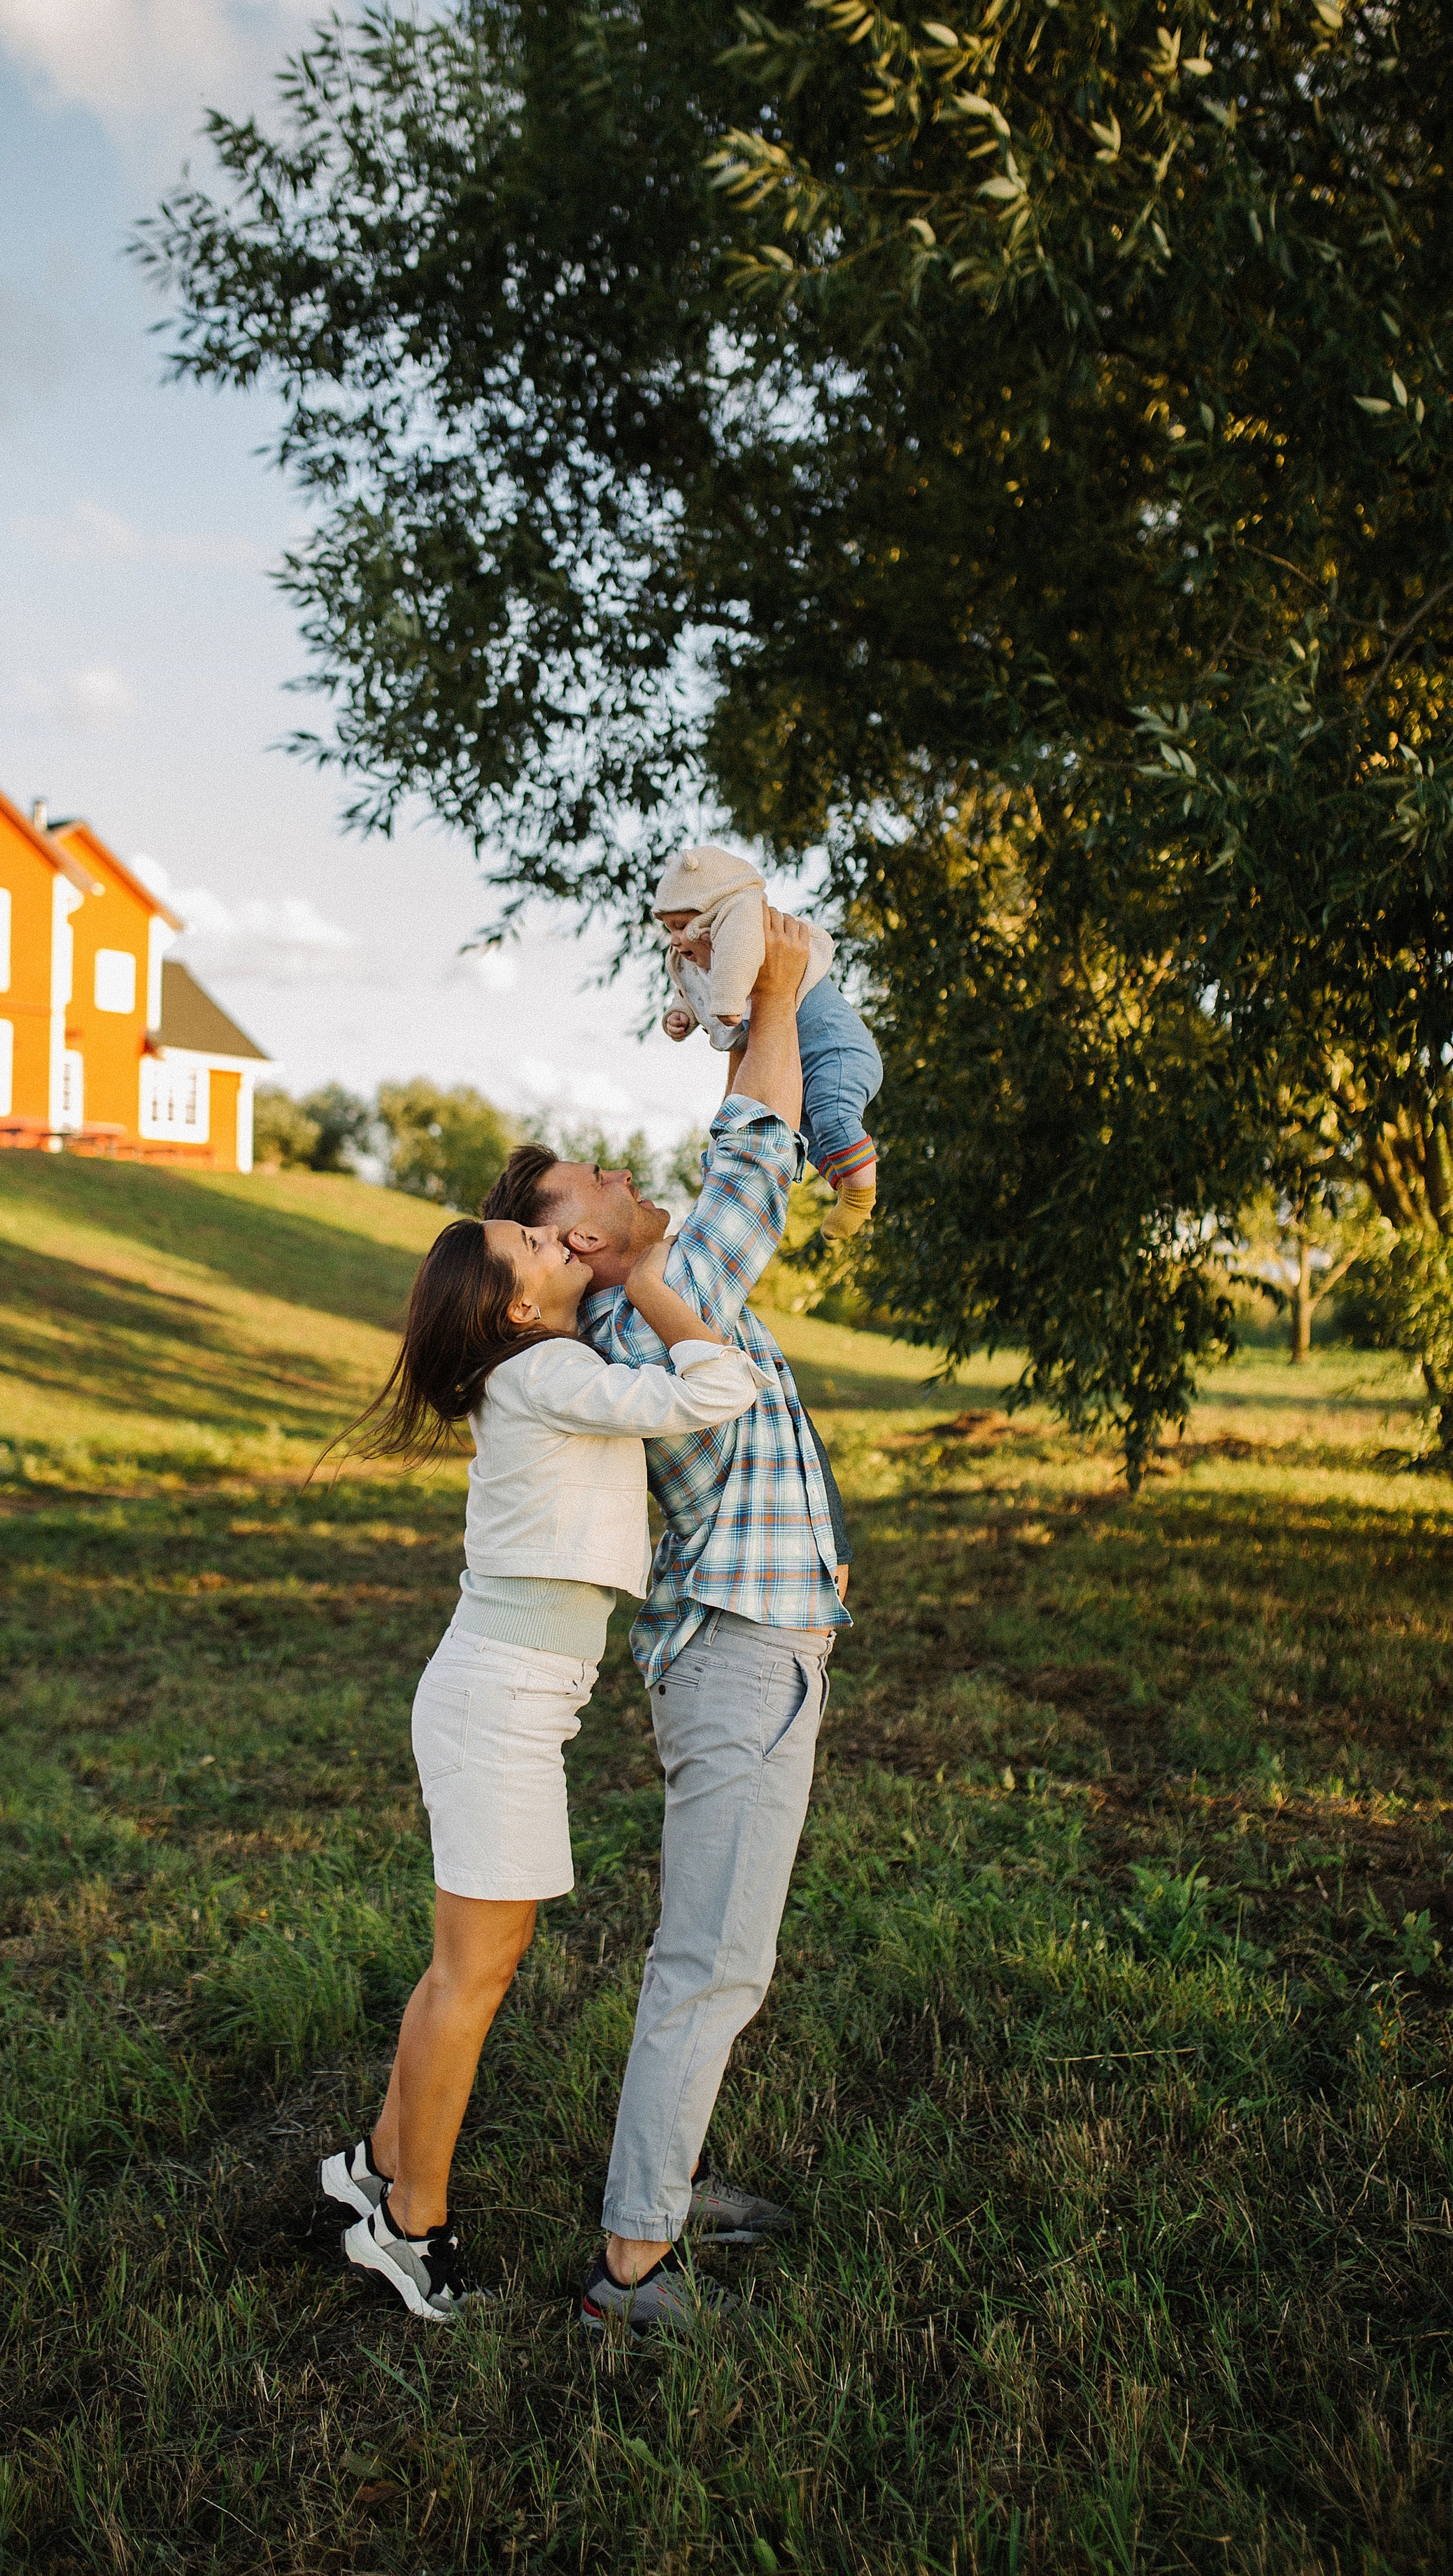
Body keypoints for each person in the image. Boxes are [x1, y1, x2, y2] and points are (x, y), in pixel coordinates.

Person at [480, 906, 854, 2339]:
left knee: (707, 1956)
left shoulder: (646, 1301)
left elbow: (734, 1144)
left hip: (755, 1645)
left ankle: (664, 2177)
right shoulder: (651, 1307)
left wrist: (759, 1001)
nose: (624, 1172)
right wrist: (775, 981)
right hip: (743, 1657)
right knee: (712, 1962)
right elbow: (753, 1149)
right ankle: (632, 2263)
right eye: (596, 1178)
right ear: (575, 1235)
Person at [318, 1209, 764, 2321]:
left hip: (510, 1701)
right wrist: (657, 1280)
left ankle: (375, 2165)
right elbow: (719, 1390)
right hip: (498, 1705)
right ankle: (411, 2226)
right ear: (519, 1309)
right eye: (533, 1239)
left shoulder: (541, 1372)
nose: (556, 1236)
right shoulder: (550, 1369)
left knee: (469, 1970)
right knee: (470, 1978)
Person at [653, 845, 881, 1247]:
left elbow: (733, 977)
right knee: (803, 1133)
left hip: (837, 1056)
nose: (676, 940)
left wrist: (727, 1005)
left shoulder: (748, 936)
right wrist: (683, 1014)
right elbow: (695, 991)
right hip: (796, 1069)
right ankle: (845, 1182)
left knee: (832, 1115)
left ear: (717, 916)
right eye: (668, 928)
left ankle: (862, 1195)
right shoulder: (698, 960)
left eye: (682, 926)